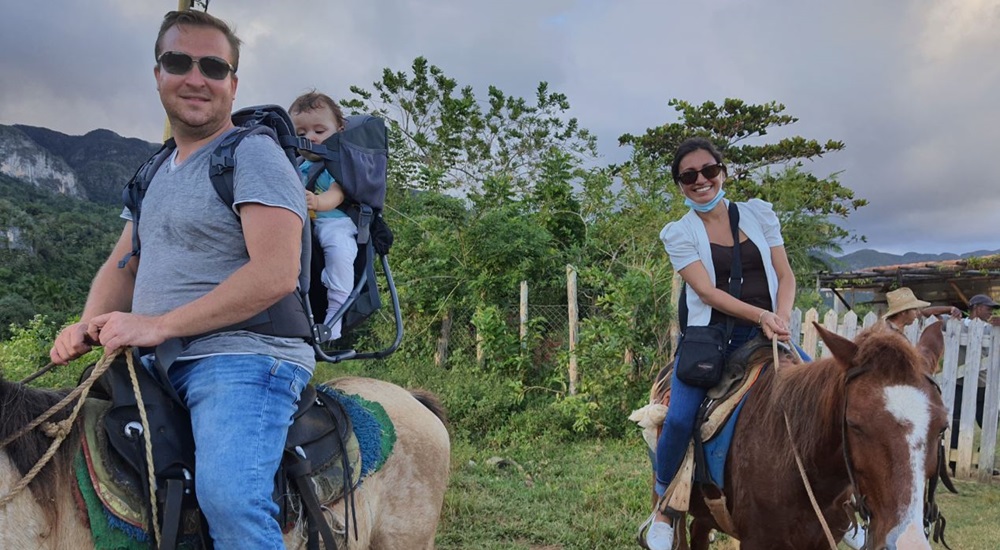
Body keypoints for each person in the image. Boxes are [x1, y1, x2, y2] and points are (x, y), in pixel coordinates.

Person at [49, 11, 313, 549]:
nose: (196, 77)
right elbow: (124, 264)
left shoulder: (252, 155)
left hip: (244, 355)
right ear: (158, 74)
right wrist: (87, 324)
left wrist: (156, 325)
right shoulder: (153, 172)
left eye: (213, 66)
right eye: (179, 61)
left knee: (230, 500)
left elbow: (275, 274)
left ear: (232, 84)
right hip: (154, 357)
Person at [641, 137, 799, 550]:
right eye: (688, 176)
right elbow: (708, 293)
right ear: (680, 185)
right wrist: (761, 315)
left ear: (723, 172)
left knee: (832, 397)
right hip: (709, 342)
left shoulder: (758, 214)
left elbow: (786, 276)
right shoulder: (679, 233)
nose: (701, 181)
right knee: (677, 420)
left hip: (768, 336)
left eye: (709, 170)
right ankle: (663, 506)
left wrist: (779, 317)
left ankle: (845, 505)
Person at [289, 91, 358, 339]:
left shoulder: (338, 163)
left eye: (319, 131)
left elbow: (337, 194)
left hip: (336, 222)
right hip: (305, 225)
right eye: (301, 134)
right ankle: (289, 298)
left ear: (339, 130)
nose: (310, 138)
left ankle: (335, 316)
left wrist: (317, 201)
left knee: (340, 253)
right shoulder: (298, 166)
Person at [950, 294, 1000, 454]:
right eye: (988, 308)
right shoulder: (958, 324)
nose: (990, 312)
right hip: (959, 381)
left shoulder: (991, 328)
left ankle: (983, 456)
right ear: (977, 308)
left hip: (982, 383)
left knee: (989, 421)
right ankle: (954, 456)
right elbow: (926, 314)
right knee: (956, 419)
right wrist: (949, 308)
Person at [881, 287, 960, 332]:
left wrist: (951, 308)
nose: (917, 312)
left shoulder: (895, 329)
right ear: (903, 312)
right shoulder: (889, 334)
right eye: (914, 309)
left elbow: (925, 312)